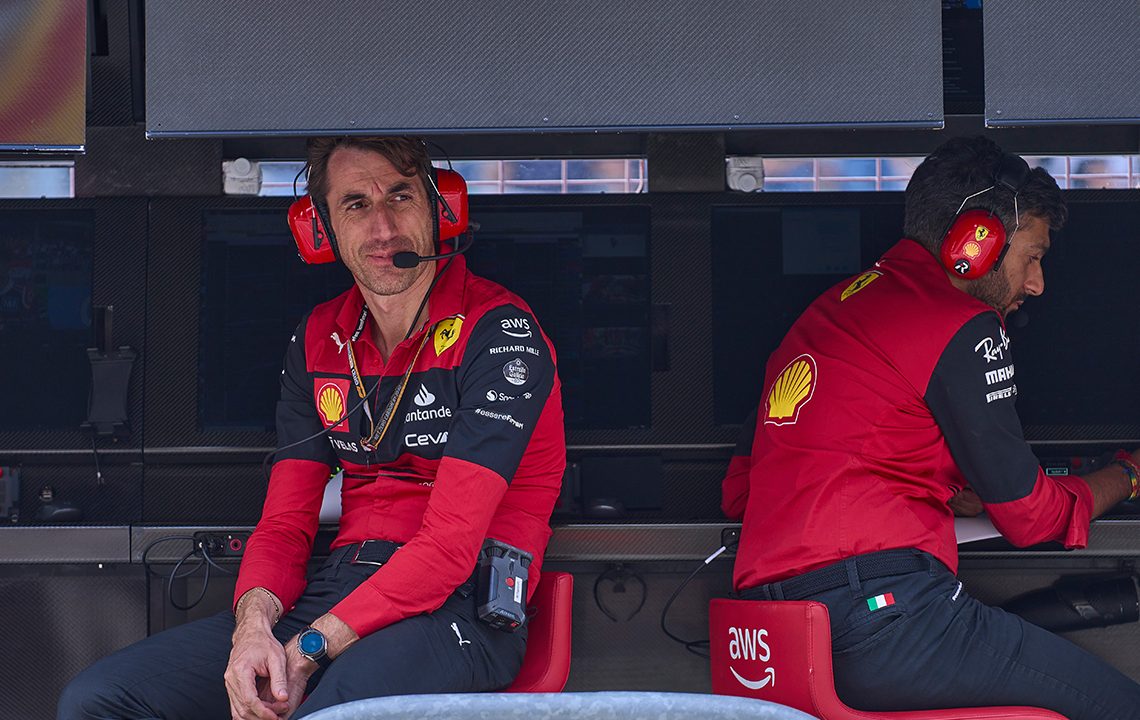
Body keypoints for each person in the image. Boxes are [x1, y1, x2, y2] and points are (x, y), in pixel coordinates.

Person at [58, 136, 566, 719]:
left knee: (324, 712)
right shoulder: (320, 338)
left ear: (439, 207)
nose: (383, 229)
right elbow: (283, 524)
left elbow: (451, 545)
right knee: (98, 700)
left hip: (462, 606)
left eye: (400, 197)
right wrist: (253, 629)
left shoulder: (500, 334)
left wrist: (309, 649)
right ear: (320, 228)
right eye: (356, 204)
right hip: (336, 591)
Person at [728, 136, 1140, 719]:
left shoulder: (826, 312)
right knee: (1117, 704)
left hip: (773, 631)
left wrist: (934, 487)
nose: (1037, 284)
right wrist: (1127, 474)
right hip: (885, 621)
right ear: (977, 241)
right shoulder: (961, 322)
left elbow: (741, 491)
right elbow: (1030, 516)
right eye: (1033, 256)